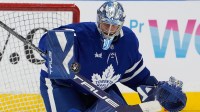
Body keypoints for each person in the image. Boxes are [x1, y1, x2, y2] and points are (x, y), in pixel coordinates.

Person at [39, 0, 187, 112]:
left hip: (101, 91)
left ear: (121, 24)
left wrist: (157, 90)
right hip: (64, 86)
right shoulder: (82, 33)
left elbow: (137, 76)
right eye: (105, 25)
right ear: (99, 21)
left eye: (114, 25)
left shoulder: (128, 42)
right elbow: (48, 39)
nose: (109, 30)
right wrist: (56, 51)